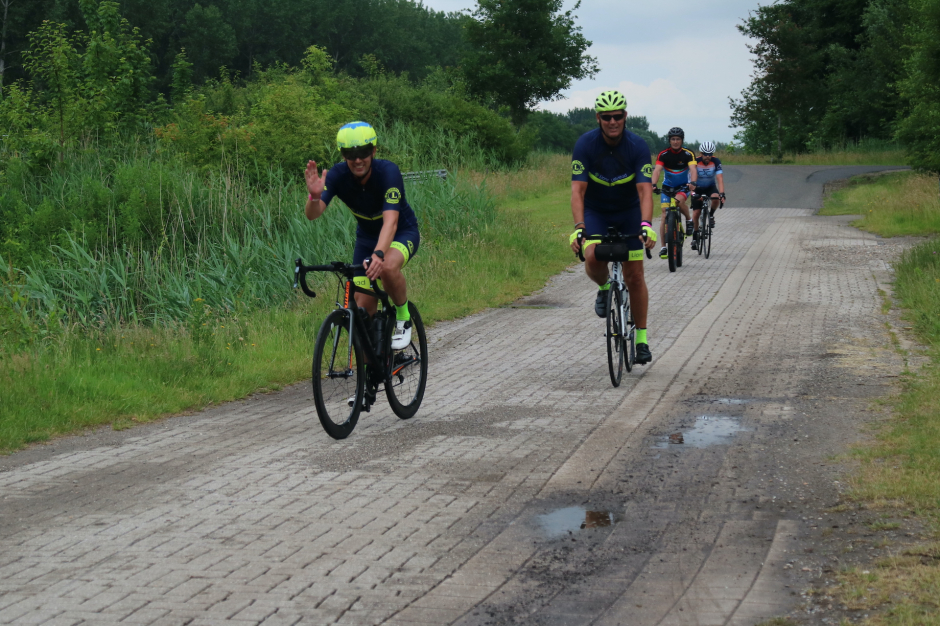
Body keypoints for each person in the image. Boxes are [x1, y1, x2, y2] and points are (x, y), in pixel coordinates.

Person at [304, 121, 419, 351]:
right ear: (343, 155)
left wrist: (379, 254)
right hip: (366, 239)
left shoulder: (388, 172)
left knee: (387, 267)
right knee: (363, 314)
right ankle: (370, 370)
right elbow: (312, 215)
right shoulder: (337, 175)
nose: (357, 160)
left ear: (373, 151)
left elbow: (391, 222)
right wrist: (314, 197)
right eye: (350, 154)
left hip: (401, 232)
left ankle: (403, 317)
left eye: (364, 152)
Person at [570, 90, 657, 365]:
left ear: (625, 116)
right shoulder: (585, 144)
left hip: (629, 211)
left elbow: (645, 191)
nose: (612, 122)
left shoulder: (637, 146)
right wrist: (579, 227)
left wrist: (646, 225)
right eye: (606, 117)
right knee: (592, 255)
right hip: (596, 210)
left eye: (617, 116)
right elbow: (577, 191)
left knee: (635, 276)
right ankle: (605, 287)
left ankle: (641, 339)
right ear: (598, 118)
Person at [651, 128, 697, 259]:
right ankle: (663, 247)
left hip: (683, 187)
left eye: (678, 139)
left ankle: (689, 220)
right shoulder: (663, 154)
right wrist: (653, 184)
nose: (675, 142)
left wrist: (693, 182)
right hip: (667, 187)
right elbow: (657, 170)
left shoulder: (688, 153)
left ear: (682, 140)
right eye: (673, 139)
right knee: (664, 214)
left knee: (678, 201)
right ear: (669, 140)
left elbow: (693, 169)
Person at [691, 141, 726, 248]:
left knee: (716, 197)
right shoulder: (695, 161)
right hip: (697, 188)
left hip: (710, 187)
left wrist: (722, 193)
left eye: (710, 154)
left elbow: (719, 178)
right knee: (696, 213)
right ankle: (695, 235)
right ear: (701, 153)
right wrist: (693, 192)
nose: (708, 156)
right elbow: (691, 178)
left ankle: (711, 215)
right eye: (705, 154)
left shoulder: (716, 161)